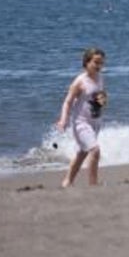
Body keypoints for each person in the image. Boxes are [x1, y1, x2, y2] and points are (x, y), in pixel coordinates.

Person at [55, 48, 107, 188]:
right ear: (86, 62)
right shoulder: (80, 81)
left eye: (101, 63)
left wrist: (102, 100)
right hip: (80, 122)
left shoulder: (100, 77)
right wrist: (63, 120)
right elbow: (68, 102)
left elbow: (97, 96)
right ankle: (93, 185)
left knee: (82, 153)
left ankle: (67, 182)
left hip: (95, 122)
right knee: (95, 150)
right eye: (96, 62)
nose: (99, 66)